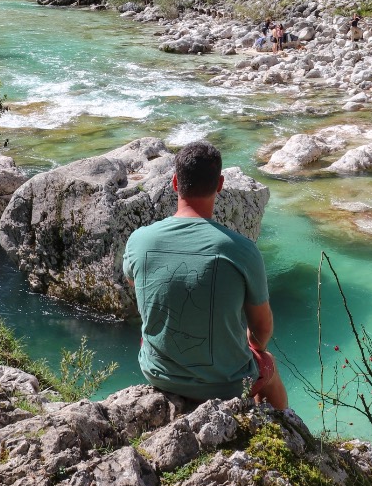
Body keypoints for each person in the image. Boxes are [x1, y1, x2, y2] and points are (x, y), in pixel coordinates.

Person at [123, 141, 288, 409]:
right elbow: (262, 328)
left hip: (158, 373)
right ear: (220, 184)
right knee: (268, 364)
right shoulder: (242, 250)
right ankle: (278, 426)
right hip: (225, 384)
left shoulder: (139, 240)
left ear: (175, 183)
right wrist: (251, 348)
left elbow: (135, 282)